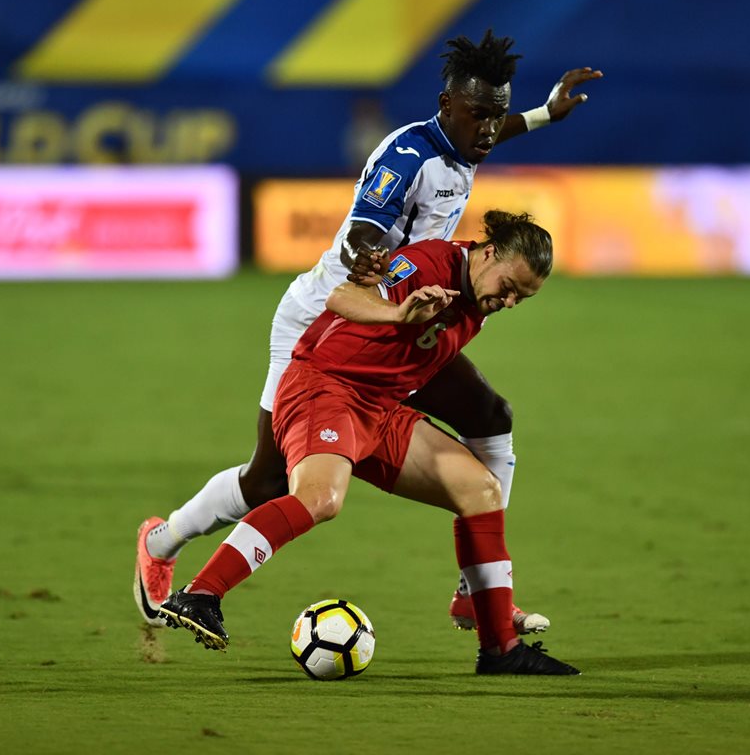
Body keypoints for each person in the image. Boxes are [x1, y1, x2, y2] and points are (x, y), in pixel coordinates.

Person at [136, 30, 602, 633]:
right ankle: (164, 540)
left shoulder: (465, 146)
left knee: (491, 416)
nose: (489, 129)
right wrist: (369, 258)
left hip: (407, 319)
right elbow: (363, 227)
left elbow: (491, 136)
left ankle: (476, 589)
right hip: (330, 319)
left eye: (496, 115)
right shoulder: (406, 157)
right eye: (479, 115)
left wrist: (543, 115)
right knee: (270, 479)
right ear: (446, 106)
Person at [161, 211, 579, 676]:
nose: (510, 301)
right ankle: (201, 593)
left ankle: (500, 648)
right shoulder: (426, 266)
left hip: (381, 410)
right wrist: (397, 312)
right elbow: (343, 296)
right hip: (325, 388)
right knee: (320, 499)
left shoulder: (478, 297)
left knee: (480, 490)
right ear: (487, 253)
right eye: (509, 286)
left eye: (523, 297)